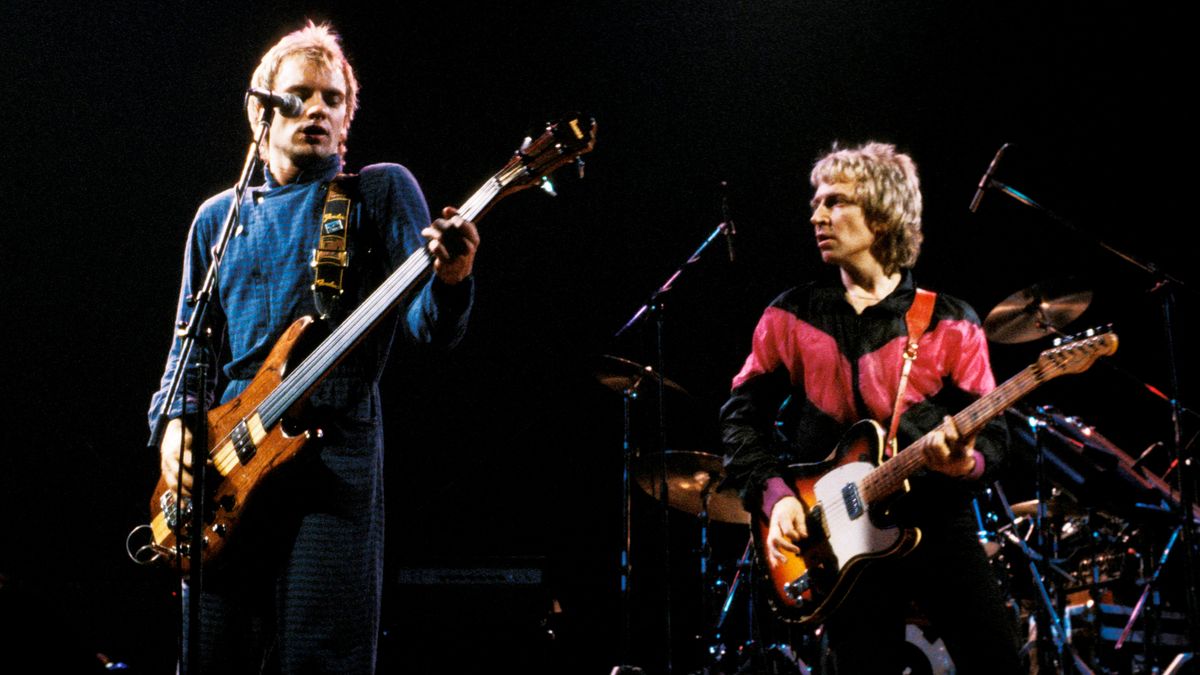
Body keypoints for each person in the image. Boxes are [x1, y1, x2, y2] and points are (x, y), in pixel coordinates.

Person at [147, 21, 479, 674]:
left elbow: (429, 326)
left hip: (331, 466)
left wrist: (453, 277)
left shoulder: (376, 193)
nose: (319, 110)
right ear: (260, 110)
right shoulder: (219, 217)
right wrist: (174, 430)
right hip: (229, 470)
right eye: (300, 95)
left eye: (333, 99)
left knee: (321, 659)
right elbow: (189, 357)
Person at [719, 142, 1021, 672]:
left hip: (935, 524)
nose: (817, 215)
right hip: (837, 541)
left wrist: (964, 463)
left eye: (835, 202)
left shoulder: (951, 320)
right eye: (816, 202)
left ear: (882, 214)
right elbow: (741, 416)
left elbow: (994, 436)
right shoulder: (790, 315)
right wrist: (776, 496)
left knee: (997, 661)